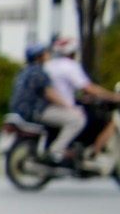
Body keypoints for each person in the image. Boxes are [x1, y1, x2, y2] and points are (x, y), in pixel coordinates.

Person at [45, 36, 118, 170]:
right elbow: (87, 87)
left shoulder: (50, 65)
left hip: (56, 106)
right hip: (64, 108)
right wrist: (111, 96)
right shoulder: (69, 65)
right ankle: (90, 153)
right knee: (96, 121)